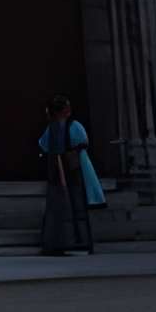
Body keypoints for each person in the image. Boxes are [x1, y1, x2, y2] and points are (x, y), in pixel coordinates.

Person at [38, 94, 103, 256]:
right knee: (76, 204)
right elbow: (81, 142)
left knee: (61, 206)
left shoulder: (53, 128)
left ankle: (62, 242)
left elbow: (44, 145)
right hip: (74, 169)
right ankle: (78, 241)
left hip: (63, 170)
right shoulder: (73, 126)